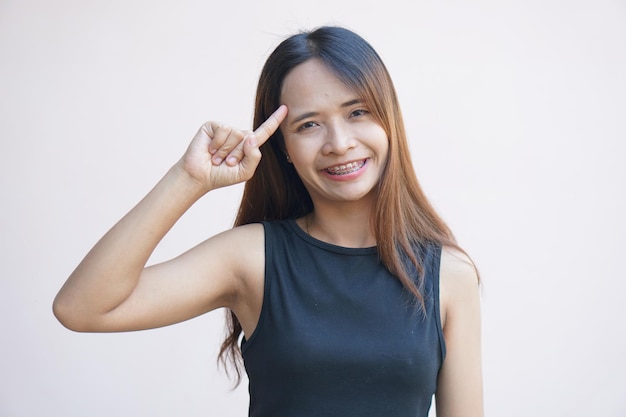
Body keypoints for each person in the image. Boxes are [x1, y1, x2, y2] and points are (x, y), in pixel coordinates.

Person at [53, 26, 483, 417]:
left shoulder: (448, 275)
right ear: (284, 149)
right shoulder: (252, 257)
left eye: (358, 113)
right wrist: (188, 180)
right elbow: (82, 307)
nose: (339, 143)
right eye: (309, 124)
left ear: (389, 122)